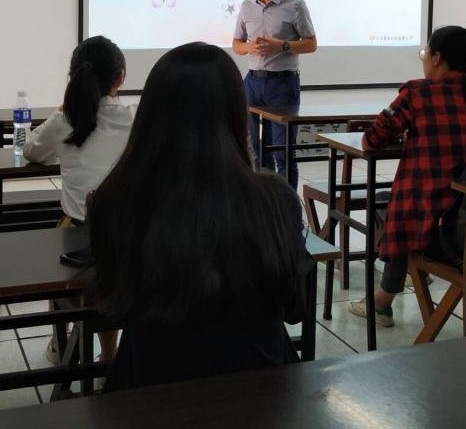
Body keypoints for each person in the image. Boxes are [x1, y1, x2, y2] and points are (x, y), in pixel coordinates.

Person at [89, 42, 312, 392]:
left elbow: (111, 303)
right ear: (237, 113)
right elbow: (296, 308)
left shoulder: (114, 199)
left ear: (150, 114)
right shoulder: (275, 199)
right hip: (262, 393)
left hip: (146, 392)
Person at [348, 25, 466, 327]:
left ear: (437, 58)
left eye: (425, 53)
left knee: (390, 204)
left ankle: (384, 300)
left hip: (437, 232)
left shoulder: (417, 93)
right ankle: (387, 296)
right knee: (400, 203)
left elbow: (371, 140)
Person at [21, 35, 132, 362]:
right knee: (109, 272)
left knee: (66, 239)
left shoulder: (64, 120)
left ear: (74, 75)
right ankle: (109, 354)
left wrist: (58, 113)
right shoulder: (134, 118)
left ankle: (61, 342)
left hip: (76, 243)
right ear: (120, 78)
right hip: (129, 242)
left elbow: (31, 151)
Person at [231, 0, 317, 190]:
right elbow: (236, 44)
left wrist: (283, 45)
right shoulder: (246, 6)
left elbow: (311, 44)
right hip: (253, 83)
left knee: (283, 150)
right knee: (254, 150)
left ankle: (287, 206)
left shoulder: (295, 4)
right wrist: (248, 47)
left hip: (283, 84)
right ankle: (263, 202)